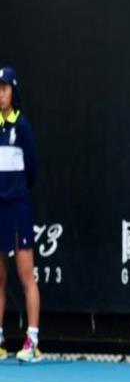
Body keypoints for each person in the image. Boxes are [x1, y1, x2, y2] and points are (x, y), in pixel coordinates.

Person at [0, 66, 42, 363]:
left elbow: (32, 169)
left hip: (18, 208)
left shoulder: (22, 126)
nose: (0, 94)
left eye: (4, 89)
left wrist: (15, 191)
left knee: (26, 275)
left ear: (13, 92)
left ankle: (33, 341)